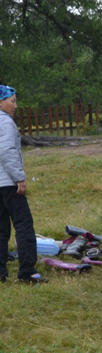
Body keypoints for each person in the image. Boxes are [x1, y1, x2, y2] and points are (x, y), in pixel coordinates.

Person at [0, 84, 44, 283]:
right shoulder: (6, 122)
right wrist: (19, 177)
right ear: (1, 102)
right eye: (12, 100)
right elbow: (7, 152)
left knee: (1, 229)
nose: (15, 105)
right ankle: (27, 272)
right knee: (24, 225)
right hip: (9, 183)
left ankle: (1, 272)